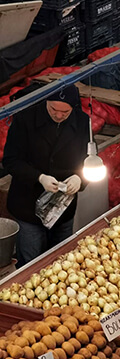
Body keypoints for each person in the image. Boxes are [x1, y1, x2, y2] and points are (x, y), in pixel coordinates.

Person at [3, 85, 89, 267]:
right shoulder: (25, 119)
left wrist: (80, 178)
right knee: (31, 264)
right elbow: (11, 160)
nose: (58, 115)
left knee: (63, 261)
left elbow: (90, 159)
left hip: (63, 207)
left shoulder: (82, 122)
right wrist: (39, 177)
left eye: (65, 112)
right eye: (53, 109)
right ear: (46, 102)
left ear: (73, 108)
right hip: (29, 206)